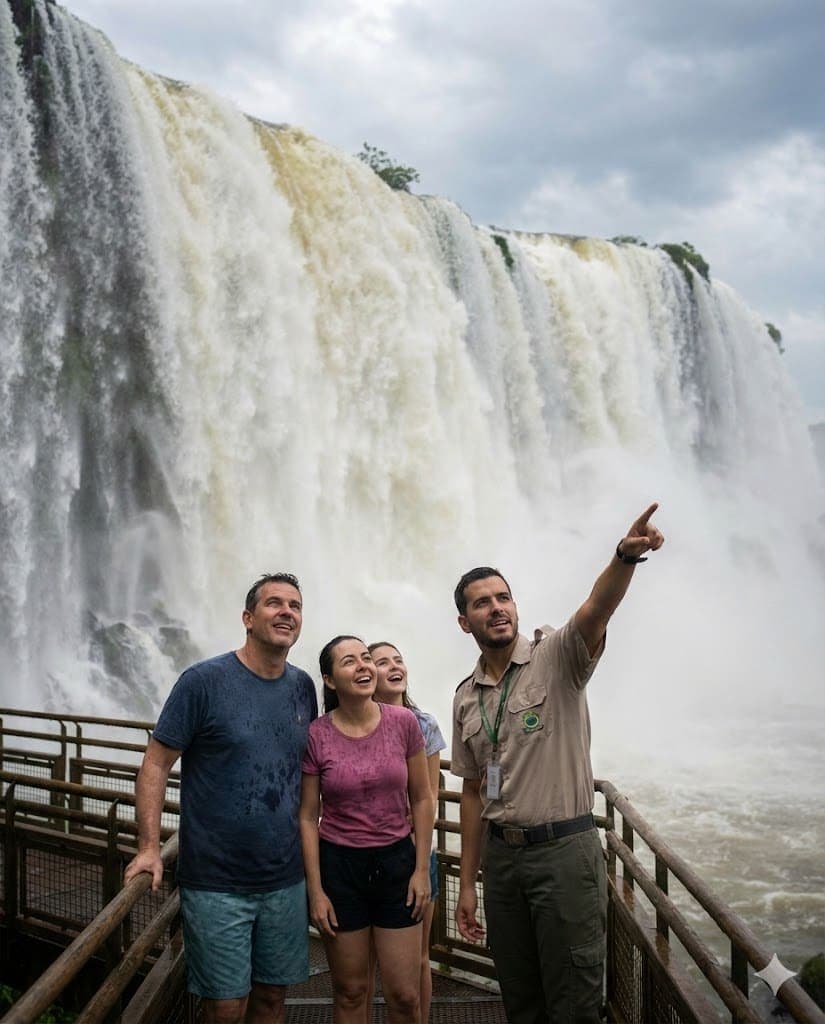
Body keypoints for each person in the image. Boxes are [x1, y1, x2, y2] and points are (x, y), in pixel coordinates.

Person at [451, 503, 665, 1024]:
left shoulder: (558, 656)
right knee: (520, 997)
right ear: (465, 621)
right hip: (503, 863)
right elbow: (476, 792)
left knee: (574, 1002)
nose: (496, 608)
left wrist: (624, 557)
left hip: (563, 855)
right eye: (482, 603)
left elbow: (597, 608)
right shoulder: (464, 697)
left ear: (516, 607)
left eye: (503, 598)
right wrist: (466, 883)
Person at [124, 573, 317, 1024]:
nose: (286, 612)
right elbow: (155, 764)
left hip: (285, 879)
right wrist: (149, 847)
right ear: (249, 618)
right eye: (274, 603)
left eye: (295, 605)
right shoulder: (203, 682)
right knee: (226, 1008)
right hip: (216, 883)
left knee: (271, 999)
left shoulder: (303, 687)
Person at [299, 636, 434, 1023]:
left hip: (397, 864)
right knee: (351, 991)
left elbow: (423, 798)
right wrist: (317, 891)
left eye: (365, 659)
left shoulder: (404, 723)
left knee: (405, 996)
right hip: (340, 867)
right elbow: (308, 815)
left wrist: (421, 869)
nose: (363, 666)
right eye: (349, 662)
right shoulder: (317, 734)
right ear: (329, 680)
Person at [369, 641, 447, 1022]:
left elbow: (429, 796)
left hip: (415, 854)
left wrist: (417, 851)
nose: (394, 666)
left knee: (419, 956)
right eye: (382, 662)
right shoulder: (354, 721)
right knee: (365, 961)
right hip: (367, 852)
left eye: (398, 659)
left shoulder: (424, 724)